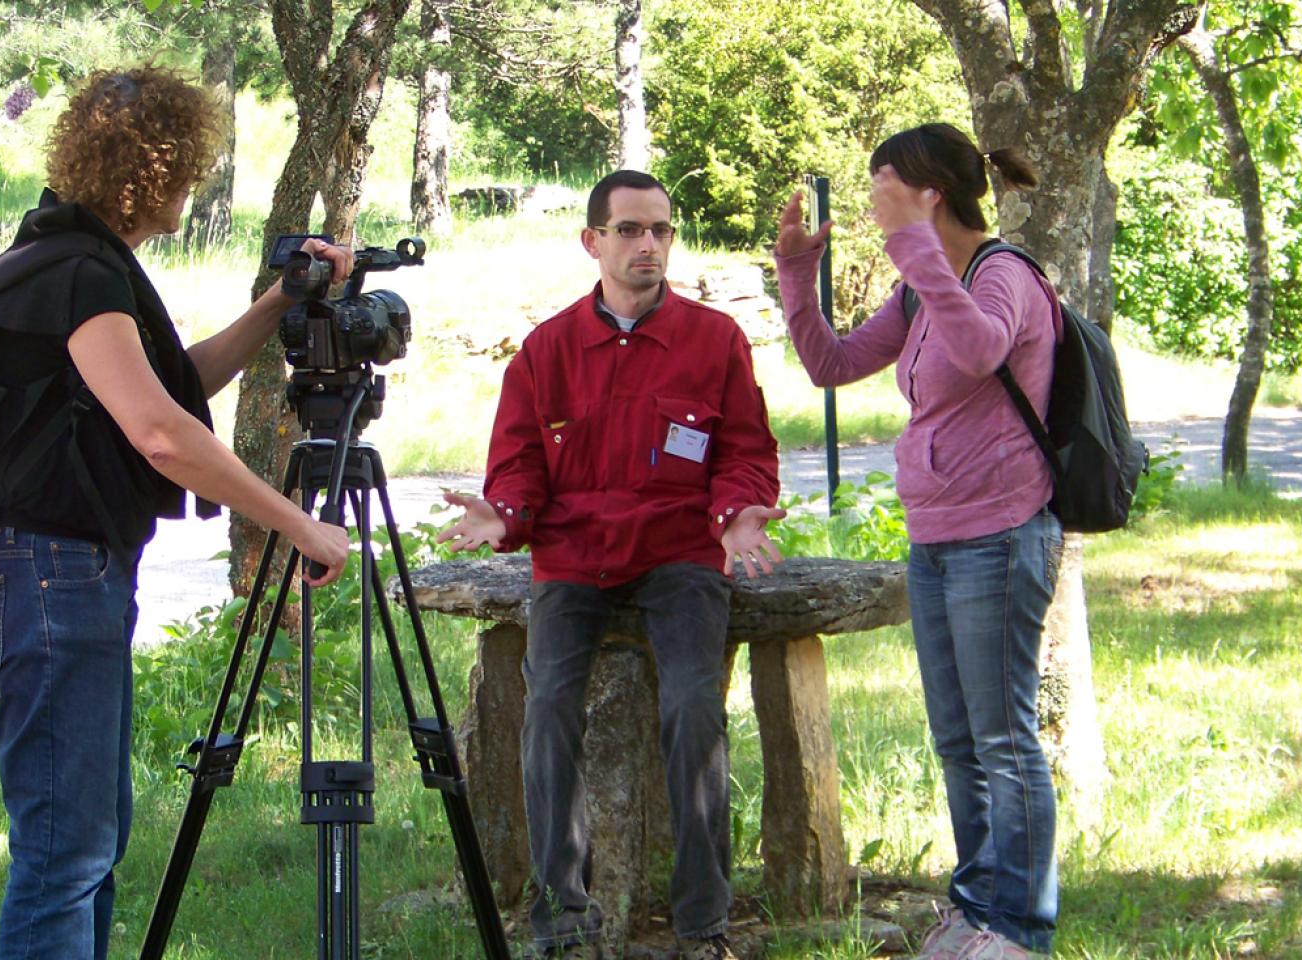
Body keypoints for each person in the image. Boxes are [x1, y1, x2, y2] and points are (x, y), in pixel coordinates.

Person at [0, 67, 353, 959]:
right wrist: (295, 520)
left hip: (63, 572)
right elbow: (161, 433)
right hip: (52, 576)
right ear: (147, 171)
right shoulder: (77, 272)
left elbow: (180, 386)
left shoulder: (80, 260)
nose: (196, 183)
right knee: (66, 853)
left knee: (90, 843)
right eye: (187, 167)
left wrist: (281, 300)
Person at [435, 170, 783, 960]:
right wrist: (506, 514)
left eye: (660, 230)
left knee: (695, 705)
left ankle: (703, 921)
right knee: (549, 705)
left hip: (679, 553)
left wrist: (735, 516)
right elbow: (518, 465)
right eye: (629, 230)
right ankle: (563, 917)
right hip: (573, 556)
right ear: (592, 241)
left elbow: (746, 451)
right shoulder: (547, 349)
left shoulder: (714, 340)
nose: (648, 245)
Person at [772, 124, 1064, 959]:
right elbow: (830, 363)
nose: (870, 204)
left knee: (1004, 740)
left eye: (883, 187)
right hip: (935, 539)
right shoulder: (917, 291)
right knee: (959, 740)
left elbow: (977, 351)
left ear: (929, 191)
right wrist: (798, 273)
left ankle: (1019, 928)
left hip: (1001, 536)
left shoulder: (1001, 275)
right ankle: (977, 911)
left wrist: (913, 248)